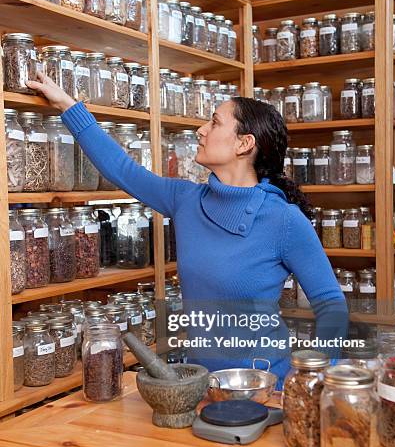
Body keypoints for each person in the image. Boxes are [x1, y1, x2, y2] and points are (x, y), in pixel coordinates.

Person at [27, 73, 348, 382]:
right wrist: (67, 105)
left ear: (244, 144)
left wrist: (312, 375)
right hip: (199, 382)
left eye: (215, 122)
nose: (200, 129)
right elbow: (121, 168)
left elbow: (331, 304)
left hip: (264, 385)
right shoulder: (185, 199)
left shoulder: (285, 220)